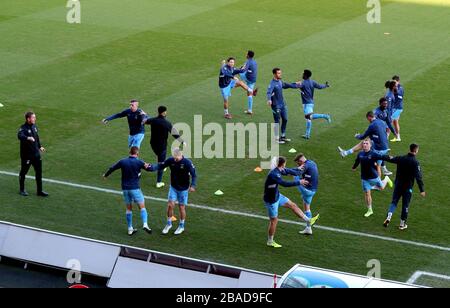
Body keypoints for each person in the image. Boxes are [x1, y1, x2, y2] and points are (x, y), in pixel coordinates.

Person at [263, 157, 320, 248]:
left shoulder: (279, 169)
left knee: (293, 205)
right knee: (274, 221)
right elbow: (284, 184)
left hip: (277, 196)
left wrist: (297, 170)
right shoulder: (274, 174)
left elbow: (287, 171)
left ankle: (309, 220)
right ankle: (270, 241)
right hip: (271, 200)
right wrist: (299, 182)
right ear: (282, 164)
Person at [103, 147, 153, 236]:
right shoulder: (139, 162)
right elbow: (149, 168)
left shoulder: (123, 161)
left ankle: (130, 228)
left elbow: (112, 168)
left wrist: (106, 175)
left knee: (129, 208)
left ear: (129, 152)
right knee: (142, 207)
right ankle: (145, 224)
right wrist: (151, 165)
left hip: (125, 189)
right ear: (137, 154)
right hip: (135, 188)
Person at [149, 148, 197, 235]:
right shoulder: (171, 160)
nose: (175, 159)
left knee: (181, 207)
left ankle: (181, 226)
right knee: (170, 205)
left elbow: (194, 175)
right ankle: (168, 224)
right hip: (173, 187)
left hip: (183, 189)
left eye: (176, 158)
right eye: (174, 157)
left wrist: (193, 185)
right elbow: (161, 165)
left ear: (181, 155)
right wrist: (151, 167)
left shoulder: (187, 163)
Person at [383, 144, 425, 230]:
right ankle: (402, 224)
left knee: (394, 202)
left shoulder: (401, 158)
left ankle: (389, 216)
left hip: (398, 185)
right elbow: (419, 177)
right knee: (405, 205)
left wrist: (381, 156)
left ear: (409, 149)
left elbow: (390, 158)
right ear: (416, 151)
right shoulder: (415, 163)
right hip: (407, 187)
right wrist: (422, 190)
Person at [338, 111, 393, 176]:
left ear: (369, 117)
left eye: (367, 119)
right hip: (385, 146)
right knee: (365, 142)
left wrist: (357, 136)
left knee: (377, 165)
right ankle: (345, 153)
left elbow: (362, 136)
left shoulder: (372, 125)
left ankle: (380, 180)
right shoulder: (381, 122)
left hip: (379, 149)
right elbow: (386, 129)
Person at [143, 106, 185, 188]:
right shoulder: (167, 123)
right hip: (162, 146)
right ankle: (158, 182)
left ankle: (162, 165)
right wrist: (182, 141)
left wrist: (145, 115)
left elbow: (145, 121)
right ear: (164, 112)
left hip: (153, 144)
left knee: (160, 158)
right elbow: (174, 133)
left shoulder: (153, 120)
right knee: (161, 164)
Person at [352, 140, 393, 217]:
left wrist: (390, 158)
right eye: (364, 143)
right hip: (364, 178)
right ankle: (369, 210)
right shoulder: (360, 154)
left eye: (367, 143)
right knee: (367, 193)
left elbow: (382, 156)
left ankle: (386, 179)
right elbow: (357, 161)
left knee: (381, 188)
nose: (365, 145)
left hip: (374, 177)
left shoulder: (373, 154)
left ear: (370, 145)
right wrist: (354, 167)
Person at [266, 68, 302, 144]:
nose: (280, 74)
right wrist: (269, 99)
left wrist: (296, 84)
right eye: (278, 73)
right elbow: (269, 92)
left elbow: (286, 85)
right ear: (275, 74)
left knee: (285, 119)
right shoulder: (272, 83)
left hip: (282, 104)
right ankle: (276, 139)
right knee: (277, 121)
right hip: (276, 106)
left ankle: (283, 136)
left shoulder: (280, 81)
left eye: (280, 73)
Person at [18, 112, 48, 197]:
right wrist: (28, 137)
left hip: (36, 155)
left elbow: (37, 138)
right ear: (28, 119)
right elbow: (19, 135)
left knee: (39, 173)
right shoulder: (23, 128)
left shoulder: (34, 126)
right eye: (33, 117)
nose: (35, 119)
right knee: (23, 173)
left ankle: (40, 191)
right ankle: (22, 190)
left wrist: (40, 146)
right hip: (27, 156)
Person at [298, 69, 331, 140]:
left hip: (307, 103)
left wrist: (285, 85)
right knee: (308, 119)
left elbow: (294, 86)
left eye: (303, 74)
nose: (302, 75)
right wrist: (325, 85)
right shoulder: (312, 82)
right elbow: (319, 86)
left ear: (306, 75)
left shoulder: (303, 83)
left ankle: (325, 116)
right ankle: (307, 135)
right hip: (308, 103)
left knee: (309, 117)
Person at [293, 154, 320, 235]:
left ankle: (309, 221)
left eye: (298, 163)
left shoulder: (305, 165)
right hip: (313, 190)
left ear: (300, 161)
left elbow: (298, 171)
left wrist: (284, 170)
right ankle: (308, 228)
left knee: (295, 176)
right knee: (307, 208)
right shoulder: (312, 162)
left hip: (307, 190)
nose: (298, 165)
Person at [241, 51, 258, 115]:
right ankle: (250, 110)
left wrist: (238, 69)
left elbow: (243, 70)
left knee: (238, 73)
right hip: (253, 79)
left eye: (246, 54)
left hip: (248, 78)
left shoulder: (248, 61)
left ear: (248, 55)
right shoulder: (254, 61)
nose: (245, 54)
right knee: (249, 94)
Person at [390, 75, 404, 142]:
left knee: (389, 122)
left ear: (398, 81)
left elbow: (398, 97)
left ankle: (385, 138)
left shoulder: (400, 88)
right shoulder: (395, 87)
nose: (394, 83)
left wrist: (394, 91)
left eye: (395, 82)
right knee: (395, 122)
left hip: (397, 108)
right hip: (396, 108)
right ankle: (398, 137)